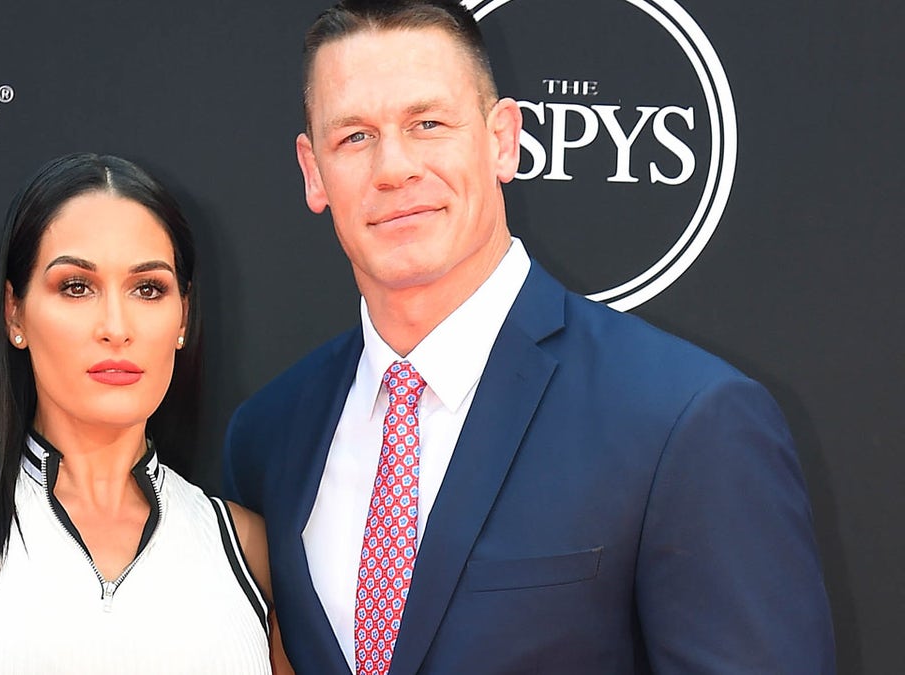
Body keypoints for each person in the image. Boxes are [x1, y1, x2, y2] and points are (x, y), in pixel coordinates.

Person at [222, 1, 835, 673]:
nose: (393, 168)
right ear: (313, 171)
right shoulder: (269, 436)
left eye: (428, 123)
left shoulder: (685, 421)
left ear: (503, 140)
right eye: (355, 137)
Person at [0, 153, 291, 674]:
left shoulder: (249, 549)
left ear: (182, 316)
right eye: (76, 287)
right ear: (14, 312)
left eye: (148, 289)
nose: (116, 327)